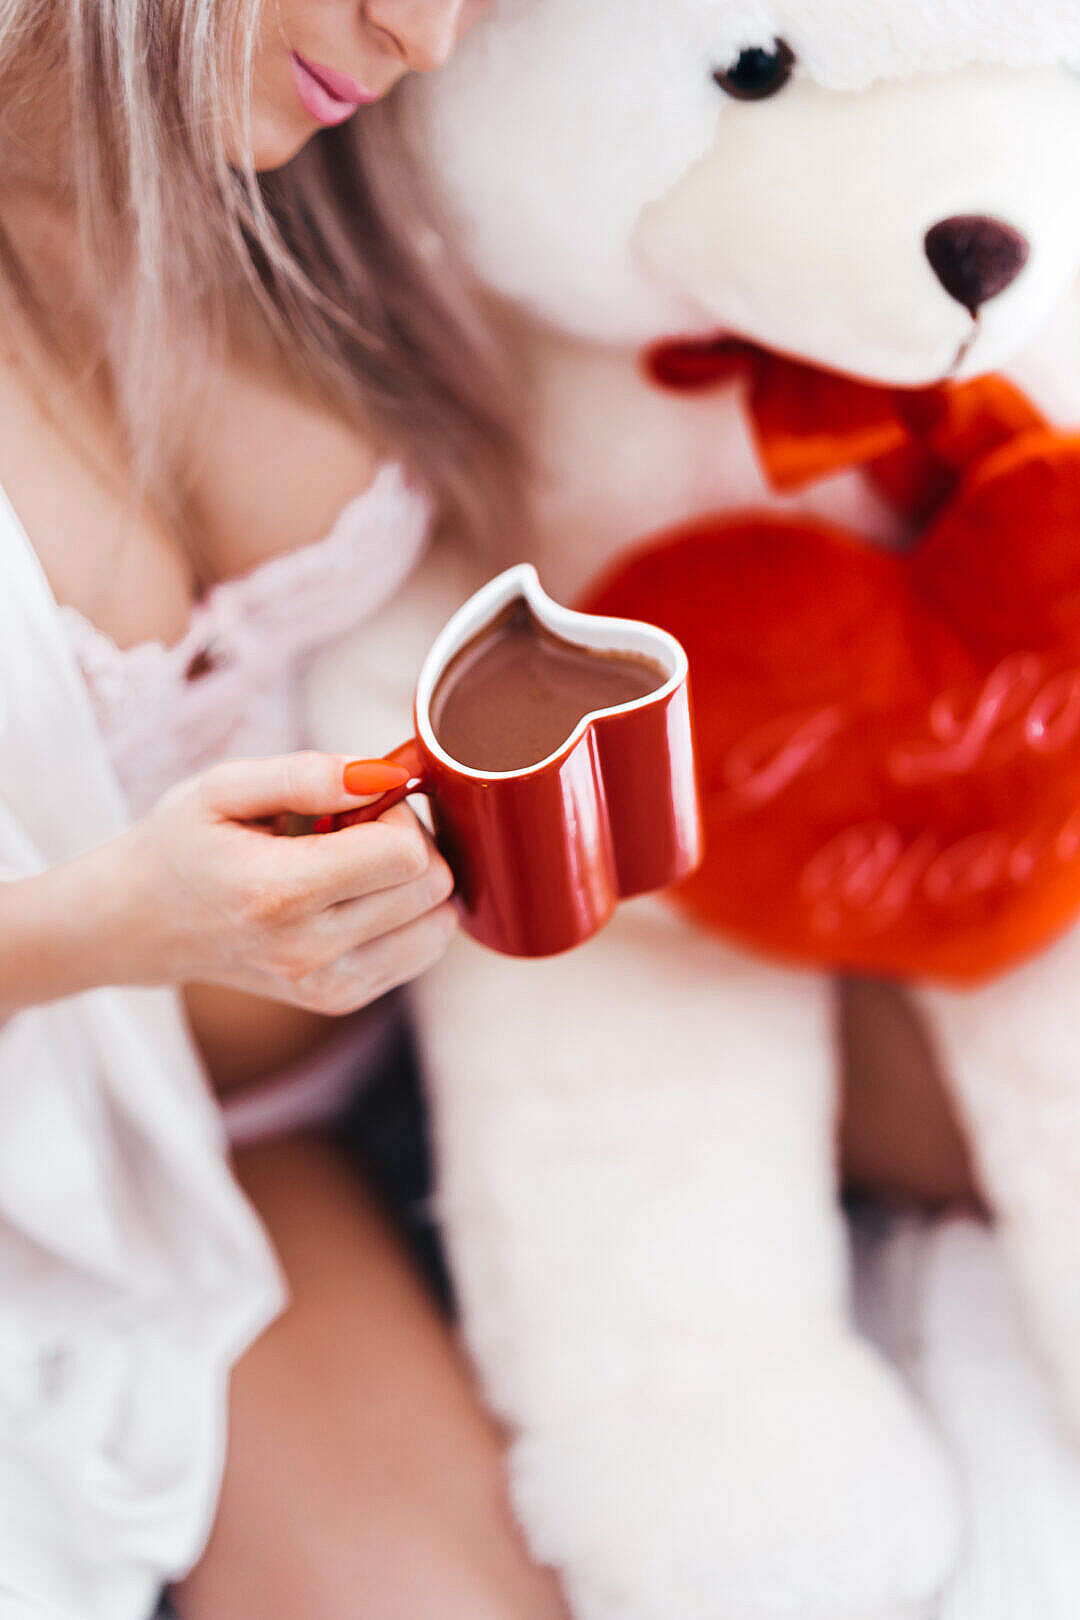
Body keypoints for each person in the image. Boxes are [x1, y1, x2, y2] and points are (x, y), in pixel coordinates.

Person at [0, 4, 568, 1618]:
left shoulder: (334, 160)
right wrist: (113, 924)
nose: (431, 38)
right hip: (115, 1175)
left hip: (421, 1056)